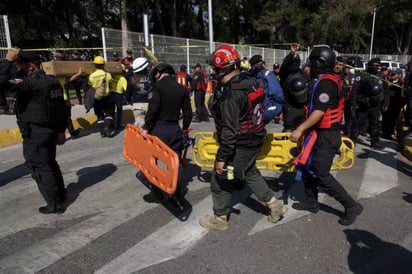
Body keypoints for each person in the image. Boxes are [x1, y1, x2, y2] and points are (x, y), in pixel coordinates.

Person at [199, 45, 288, 231]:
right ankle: (275, 206)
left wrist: (222, 158)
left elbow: (229, 131)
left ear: (224, 68)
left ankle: (220, 218)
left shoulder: (232, 94)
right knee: (250, 172)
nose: (213, 73)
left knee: (219, 180)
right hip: (255, 138)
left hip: (240, 144)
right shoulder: (250, 81)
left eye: (215, 69)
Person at [290, 46, 363, 226]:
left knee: (322, 174)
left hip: (326, 135)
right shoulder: (325, 79)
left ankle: (351, 205)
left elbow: (319, 113)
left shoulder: (326, 83)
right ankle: (311, 202)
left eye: (312, 61)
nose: (309, 64)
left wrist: (300, 129)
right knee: (307, 167)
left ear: (318, 63)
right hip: (319, 133)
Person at [0, 49, 68, 214]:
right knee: (50, 163)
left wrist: (7, 61)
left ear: (30, 67)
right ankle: (61, 194)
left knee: (39, 166)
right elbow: (62, 107)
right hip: (50, 130)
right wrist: (61, 130)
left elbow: (1, 82)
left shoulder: (30, 83)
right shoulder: (52, 81)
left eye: (21, 66)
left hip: (36, 133)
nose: (19, 69)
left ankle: (54, 204)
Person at [141, 63, 193, 203]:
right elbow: (188, 114)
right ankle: (176, 192)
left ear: (160, 73)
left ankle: (157, 193)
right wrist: (184, 129)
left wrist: (146, 127)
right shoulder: (182, 90)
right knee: (175, 161)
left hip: (159, 129)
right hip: (175, 129)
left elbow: (153, 110)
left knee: (150, 161)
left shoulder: (157, 87)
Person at [349, 57, 389, 149]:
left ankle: (375, 142)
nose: (376, 67)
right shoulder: (362, 75)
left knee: (375, 123)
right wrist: (354, 102)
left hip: (375, 104)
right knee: (357, 123)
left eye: (378, 66)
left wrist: (386, 103)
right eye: (374, 66)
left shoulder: (381, 76)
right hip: (363, 103)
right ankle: (352, 141)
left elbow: (386, 90)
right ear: (370, 65)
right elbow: (355, 90)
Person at [279, 43, 310, 132]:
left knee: (301, 131)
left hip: (301, 108)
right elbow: (284, 65)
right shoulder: (285, 75)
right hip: (289, 107)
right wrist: (291, 53)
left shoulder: (303, 74)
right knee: (288, 132)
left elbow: (309, 88)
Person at [249, 54, 284, 124]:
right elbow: (278, 95)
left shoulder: (265, 75)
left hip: (262, 109)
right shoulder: (266, 75)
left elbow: (278, 95)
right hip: (263, 110)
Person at [88, 56, 115, 138]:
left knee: (99, 115)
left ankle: (102, 132)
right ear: (103, 65)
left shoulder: (91, 76)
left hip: (97, 99)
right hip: (106, 97)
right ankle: (107, 127)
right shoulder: (108, 75)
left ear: (95, 65)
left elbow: (91, 88)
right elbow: (110, 86)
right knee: (109, 113)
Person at [381, 69, 404, 140]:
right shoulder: (388, 82)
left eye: (394, 74)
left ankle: (389, 133)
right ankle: (385, 132)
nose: (392, 75)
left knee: (393, 120)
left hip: (396, 104)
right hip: (387, 103)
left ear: (398, 75)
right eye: (391, 74)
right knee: (385, 118)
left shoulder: (401, 84)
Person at [109, 64, 128, 130]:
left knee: (111, 111)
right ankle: (118, 125)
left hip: (110, 95)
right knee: (119, 111)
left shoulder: (111, 76)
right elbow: (126, 89)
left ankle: (111, 125)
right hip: (118, 96)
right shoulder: (122, 79)